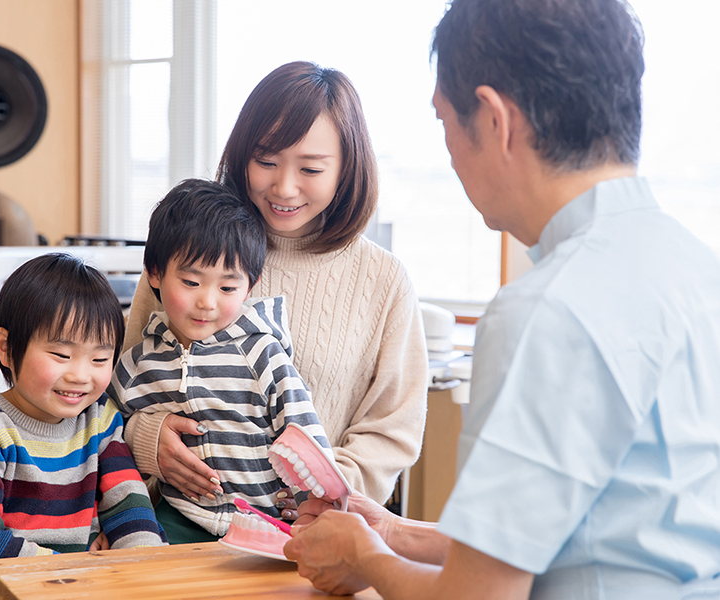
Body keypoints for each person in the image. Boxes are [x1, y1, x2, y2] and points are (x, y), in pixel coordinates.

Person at [283, 0, 720, 598]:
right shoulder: (697, 269)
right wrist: (394, 532)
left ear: (493, 119)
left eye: (443, 124)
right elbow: (593, 531)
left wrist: (365, 558)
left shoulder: (546, 311)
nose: (450, 155)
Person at [121, 61, 428, 517]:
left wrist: (320, 493)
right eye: (265, 161)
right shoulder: (188, 252)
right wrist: (145, 440)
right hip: (180, 526)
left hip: (311, 534)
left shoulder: (383, 280)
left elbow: (390, 431)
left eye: (311, 168)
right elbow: (121, 387)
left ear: (347, 168)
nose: (284, 187)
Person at [0, 254, 166, 600]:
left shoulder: (102, 418)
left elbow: (130, 505)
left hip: (71, 585)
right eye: (61, 355)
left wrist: (143, 565)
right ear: (6, 347)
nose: (80, 375)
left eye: (99, 359)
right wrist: (72, 570)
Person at [110, 178, 332, 543]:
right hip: (178, 517)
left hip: (265, 522)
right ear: (154, 273)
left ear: (250, 284)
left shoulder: (262, 354)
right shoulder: (137, 365)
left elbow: (305, 434)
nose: (208, 302)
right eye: (191, 282)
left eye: (227, 287)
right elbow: (105, 431)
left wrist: (317, 507)